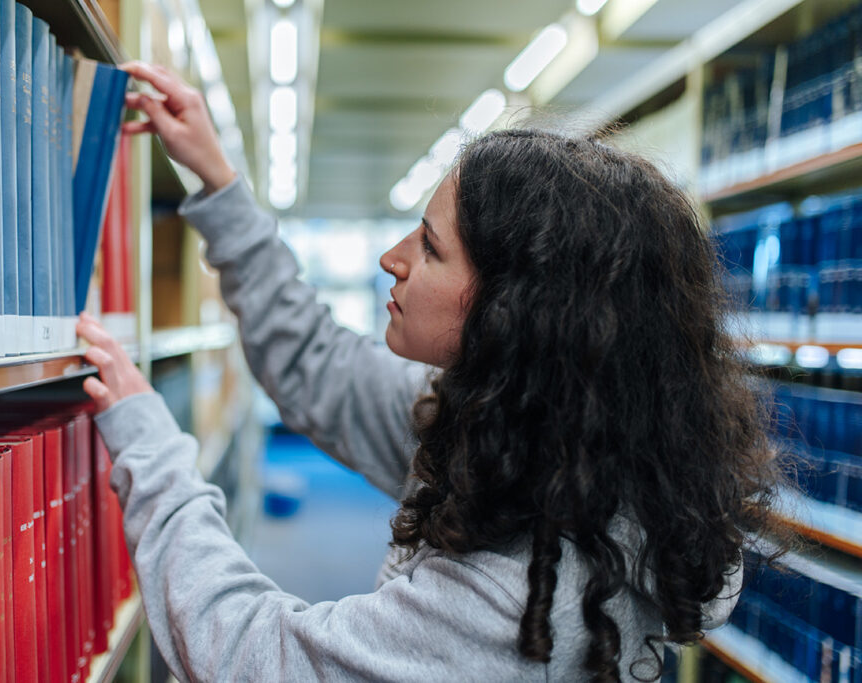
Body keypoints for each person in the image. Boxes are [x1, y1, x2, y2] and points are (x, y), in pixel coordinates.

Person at [76, 61, 788, 682]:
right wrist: (219, 181)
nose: (392, 258)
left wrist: (151, 448)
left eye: (430, 247)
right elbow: (320, 368)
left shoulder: (523, 599)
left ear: (517, 307)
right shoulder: (530, 439)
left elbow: (257, 659)